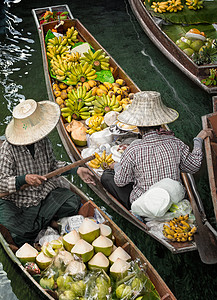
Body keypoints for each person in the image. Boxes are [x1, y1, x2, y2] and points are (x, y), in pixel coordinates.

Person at [0, 99, 95, 248]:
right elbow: (2, 183)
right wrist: (23, 179)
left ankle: (45, 223)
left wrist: (76, 170)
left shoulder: (43, 141)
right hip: (20, 201)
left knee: (73, 202)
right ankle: (46, 223)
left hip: (43, 194)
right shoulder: (8, 148)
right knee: (22, 234)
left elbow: (53, 166)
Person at [101, 91, 212, 210]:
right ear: (160, 123)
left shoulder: (133, 149)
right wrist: (198, 139)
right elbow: (193, 166)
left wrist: (117, 167)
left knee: (107, 176)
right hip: (173, 199)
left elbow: (120, 182)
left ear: (138, 127)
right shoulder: (175, 142)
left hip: (145, 205)